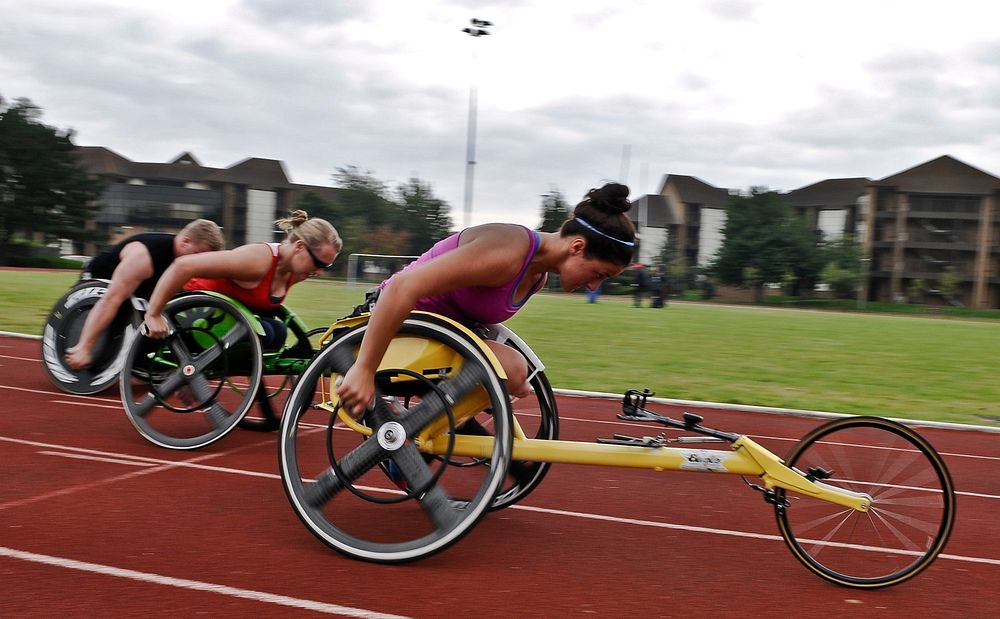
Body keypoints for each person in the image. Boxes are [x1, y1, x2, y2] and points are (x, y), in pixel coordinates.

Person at [336, 182, 637, 417]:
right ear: (577, 246)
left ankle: (418, 435)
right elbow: (400, 288)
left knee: (514, 370)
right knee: (511, 367)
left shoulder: (537, 276)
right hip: (390, 321)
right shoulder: (507, 253)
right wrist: (363, 369)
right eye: (600, 273)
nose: (594, 285)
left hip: (438, 337)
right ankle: (405, 435)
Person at [140, 210, 341, 349]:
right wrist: (154, 314)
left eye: (327, 266)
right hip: (190, 315)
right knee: (266, 333)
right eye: (319, 263)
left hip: (221, 320)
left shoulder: (295, 271)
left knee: (278, 332)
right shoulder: (257, 261)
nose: (320, 271)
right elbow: (183, 265)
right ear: (299, 247)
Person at [64, 219, 224, 370]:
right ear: (185, 242)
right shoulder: (143, 256)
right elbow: (110, 300)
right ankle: (83, 347)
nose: (199, 263)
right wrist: (85, 348)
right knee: (122, 303)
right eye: (197, 254)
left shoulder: (184, 261)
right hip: (103, 281)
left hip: (142, 286)